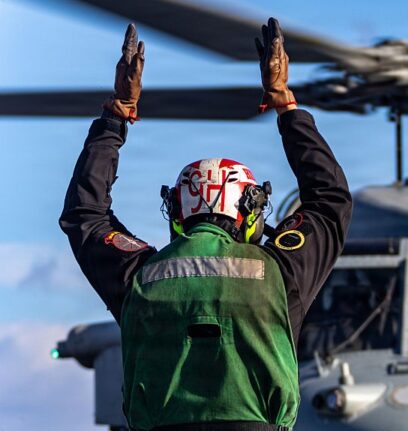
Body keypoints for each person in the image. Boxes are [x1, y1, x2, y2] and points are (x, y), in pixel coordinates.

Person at [59, 19, 352, 431]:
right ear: (249, 213)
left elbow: (86, 214)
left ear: (178, 213)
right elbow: (329, 200)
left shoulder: (139, 275)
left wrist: (116, 116)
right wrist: (286, 106)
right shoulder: (279, 273)